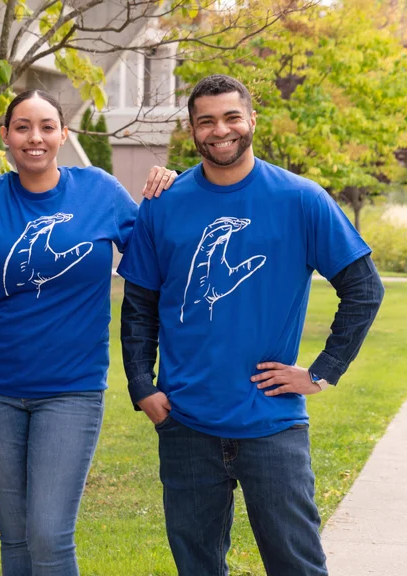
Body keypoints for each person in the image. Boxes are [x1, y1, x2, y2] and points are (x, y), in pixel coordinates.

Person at [117, 74, 385, 576]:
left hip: (272, 423)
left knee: (296, 565)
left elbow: (365, 289)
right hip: (185, 422)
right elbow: (139, 306)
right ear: (192, 131)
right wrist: (140, 385)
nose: (220, 130)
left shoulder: (301, 199)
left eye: (231, 117)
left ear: (251, 120)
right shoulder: (164, 204)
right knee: (197, 567)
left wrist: (322, 370)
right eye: (206, 121)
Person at [0, 90, 176, 575]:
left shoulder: (100, 191)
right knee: (15, 537)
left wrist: (174, 188)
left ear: (63, 134)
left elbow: (161, 243)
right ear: (5, 136)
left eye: (47, 126)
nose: (36, 138)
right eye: (23, 127)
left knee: (49, 535)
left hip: (70, 392)